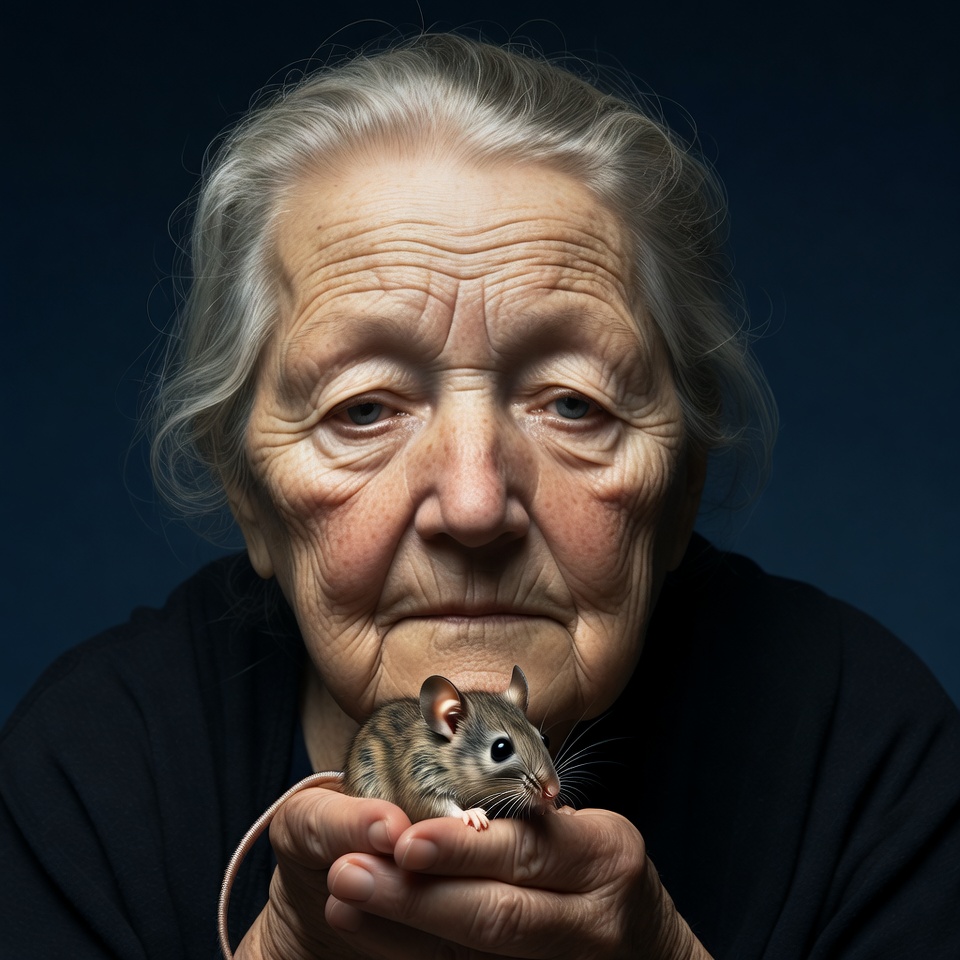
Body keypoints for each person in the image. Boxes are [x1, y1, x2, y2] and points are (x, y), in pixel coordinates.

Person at [2, 32, 958, 960]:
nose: (471, 505)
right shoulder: (86, 777)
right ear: (250, 497)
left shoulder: (872, 754)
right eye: (364, 407)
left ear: (683, 485)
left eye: (574, 404)